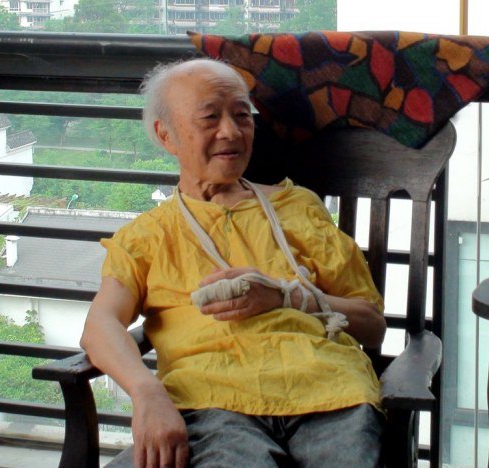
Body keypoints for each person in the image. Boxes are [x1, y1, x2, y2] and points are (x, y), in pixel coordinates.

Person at [80, 58, 387, 468]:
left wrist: (285, 296)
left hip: (331, 395)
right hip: (211, 403)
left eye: (242, 116)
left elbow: (372, 325)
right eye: (210, 117)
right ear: (166, 135)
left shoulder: (297, 208)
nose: (231, 131)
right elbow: (100, 325)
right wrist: (146, 392)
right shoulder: (147, 236)